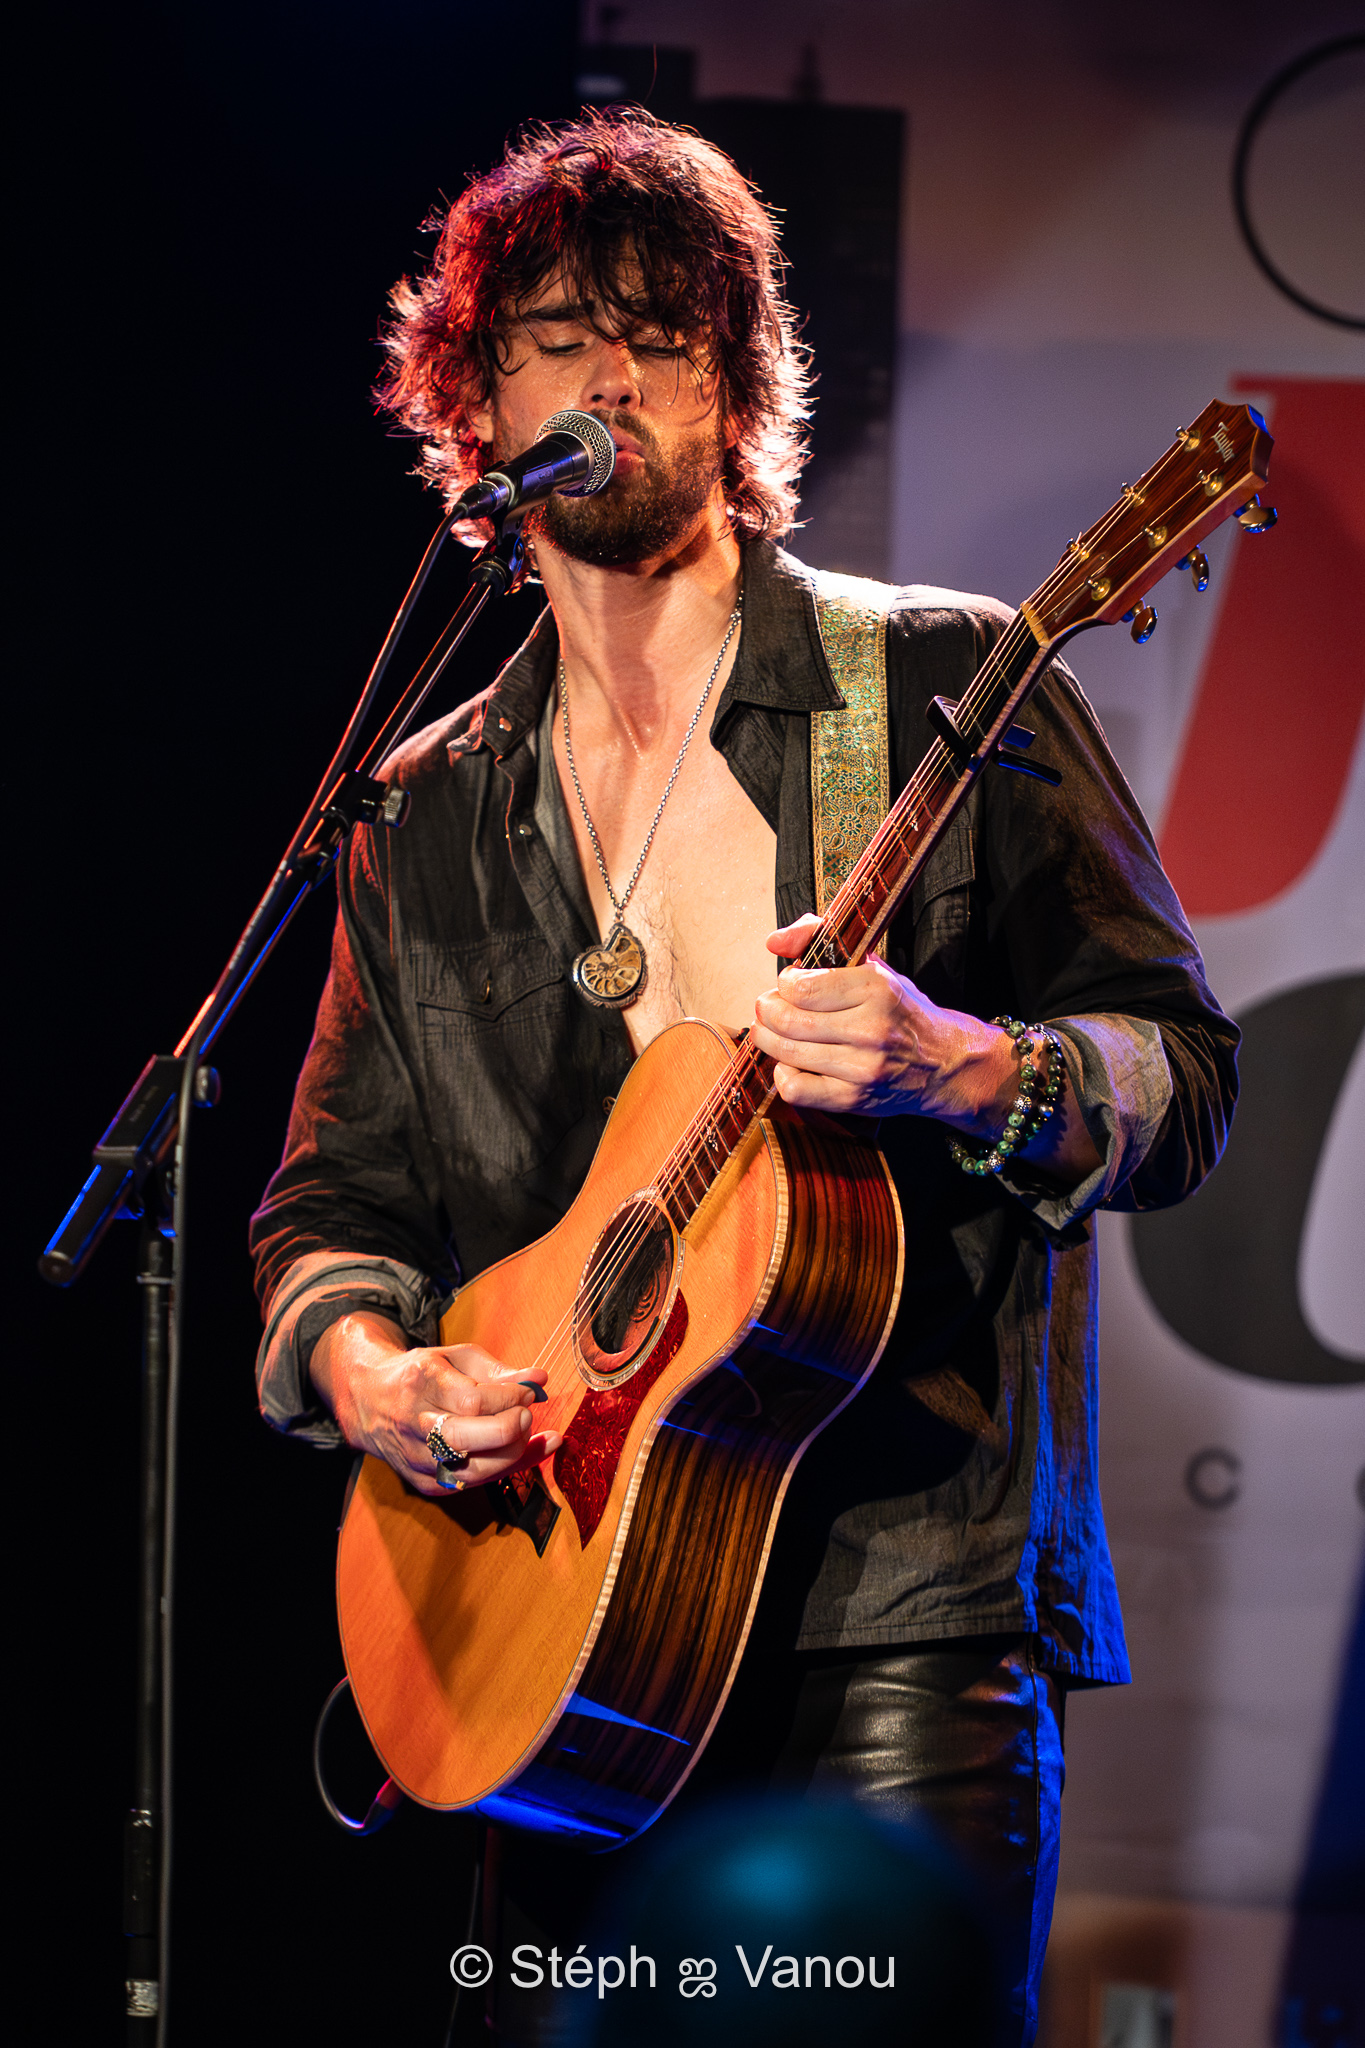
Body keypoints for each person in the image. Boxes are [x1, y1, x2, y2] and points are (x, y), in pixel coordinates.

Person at [249, 110, 1237, 2047]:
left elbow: (1183, 1073)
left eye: (660, 339)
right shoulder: (420, 808)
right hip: (554, 1621)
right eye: (554, 338)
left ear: (736, 385)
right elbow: (328, 1206)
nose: (608, 381)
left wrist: (968, 1067)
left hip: (901, 1608)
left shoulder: (939, 685)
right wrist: (372, 1376)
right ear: (475, 402)